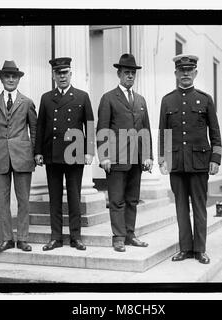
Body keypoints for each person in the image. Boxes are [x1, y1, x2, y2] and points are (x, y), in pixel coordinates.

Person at [158, 54, 222, 264]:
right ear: (176, 73)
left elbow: (215, 132)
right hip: (176, 162)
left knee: (199, 207)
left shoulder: (205, 99)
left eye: (189, 70)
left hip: (199, 163)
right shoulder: (167, 100)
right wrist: (163, 159)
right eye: (181, 70)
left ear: (195, 73)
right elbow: (164, 133)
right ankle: (185, 248)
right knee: (180, 207)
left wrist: (216, 159)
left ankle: (200, 249)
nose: (185, 74)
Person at [34, 57, 94, 251]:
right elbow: (40, 126)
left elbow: (90, 125)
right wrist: (38, 152)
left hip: (75, 153)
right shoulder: (46, 98)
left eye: (65, 73)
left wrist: (90, 151)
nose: (62, 76)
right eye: (58, 73)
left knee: (75, 197)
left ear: (71, 74)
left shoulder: (82, 96)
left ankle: (76, 237)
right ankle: (56, 237)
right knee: (55, 197)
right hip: (52, 154)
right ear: (53, 75)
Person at [96, 53, 153, 252]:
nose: (130, 76)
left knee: (132, 199)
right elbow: (102, 129)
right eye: (126, 72)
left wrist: (148, 156)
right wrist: (104, 157)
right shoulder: (109, 98)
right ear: (119, 74)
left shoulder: (140, 100)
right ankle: (118, 237)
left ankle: (130, 234)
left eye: (133, 73)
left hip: (136, 160)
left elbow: (145, 130)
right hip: (116, 159)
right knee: (117, 199)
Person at [0, 60, 37, 253]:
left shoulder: (27, 102)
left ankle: (22, 239)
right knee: (2, 200)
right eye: (7, 76)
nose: (11, 79)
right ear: (2, 79)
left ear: (19, 79)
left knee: (23, 199)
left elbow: (35, 130)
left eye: (14, 76)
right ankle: (6, 239)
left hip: (23, 157)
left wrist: (35, 153)